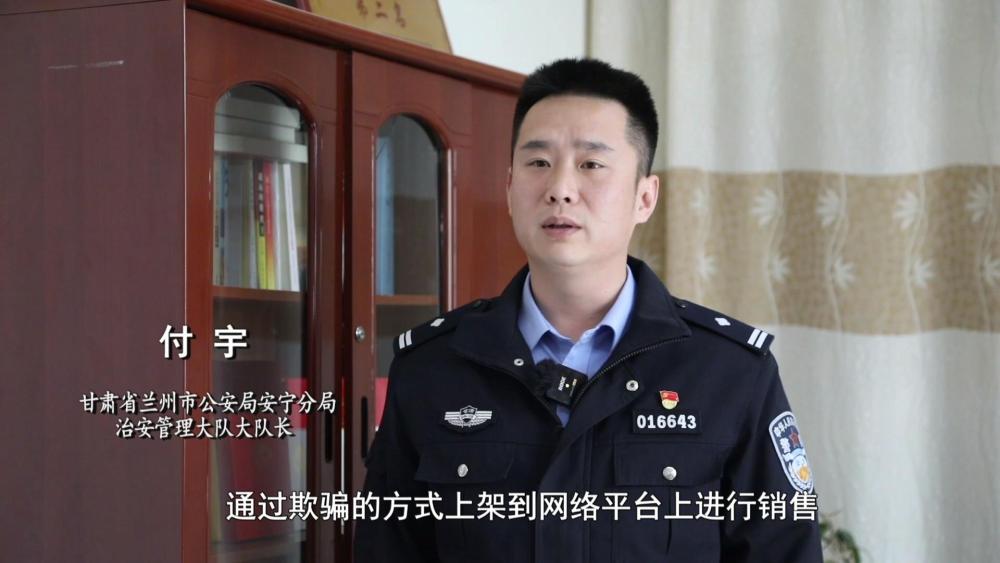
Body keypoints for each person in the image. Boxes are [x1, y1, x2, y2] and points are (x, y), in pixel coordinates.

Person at [354, 58, 822, 562]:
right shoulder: (433, 367)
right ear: (509, 189)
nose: (560, 188)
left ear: (645, 197)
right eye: (538, 163)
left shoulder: (731, 372)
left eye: (591, 164)